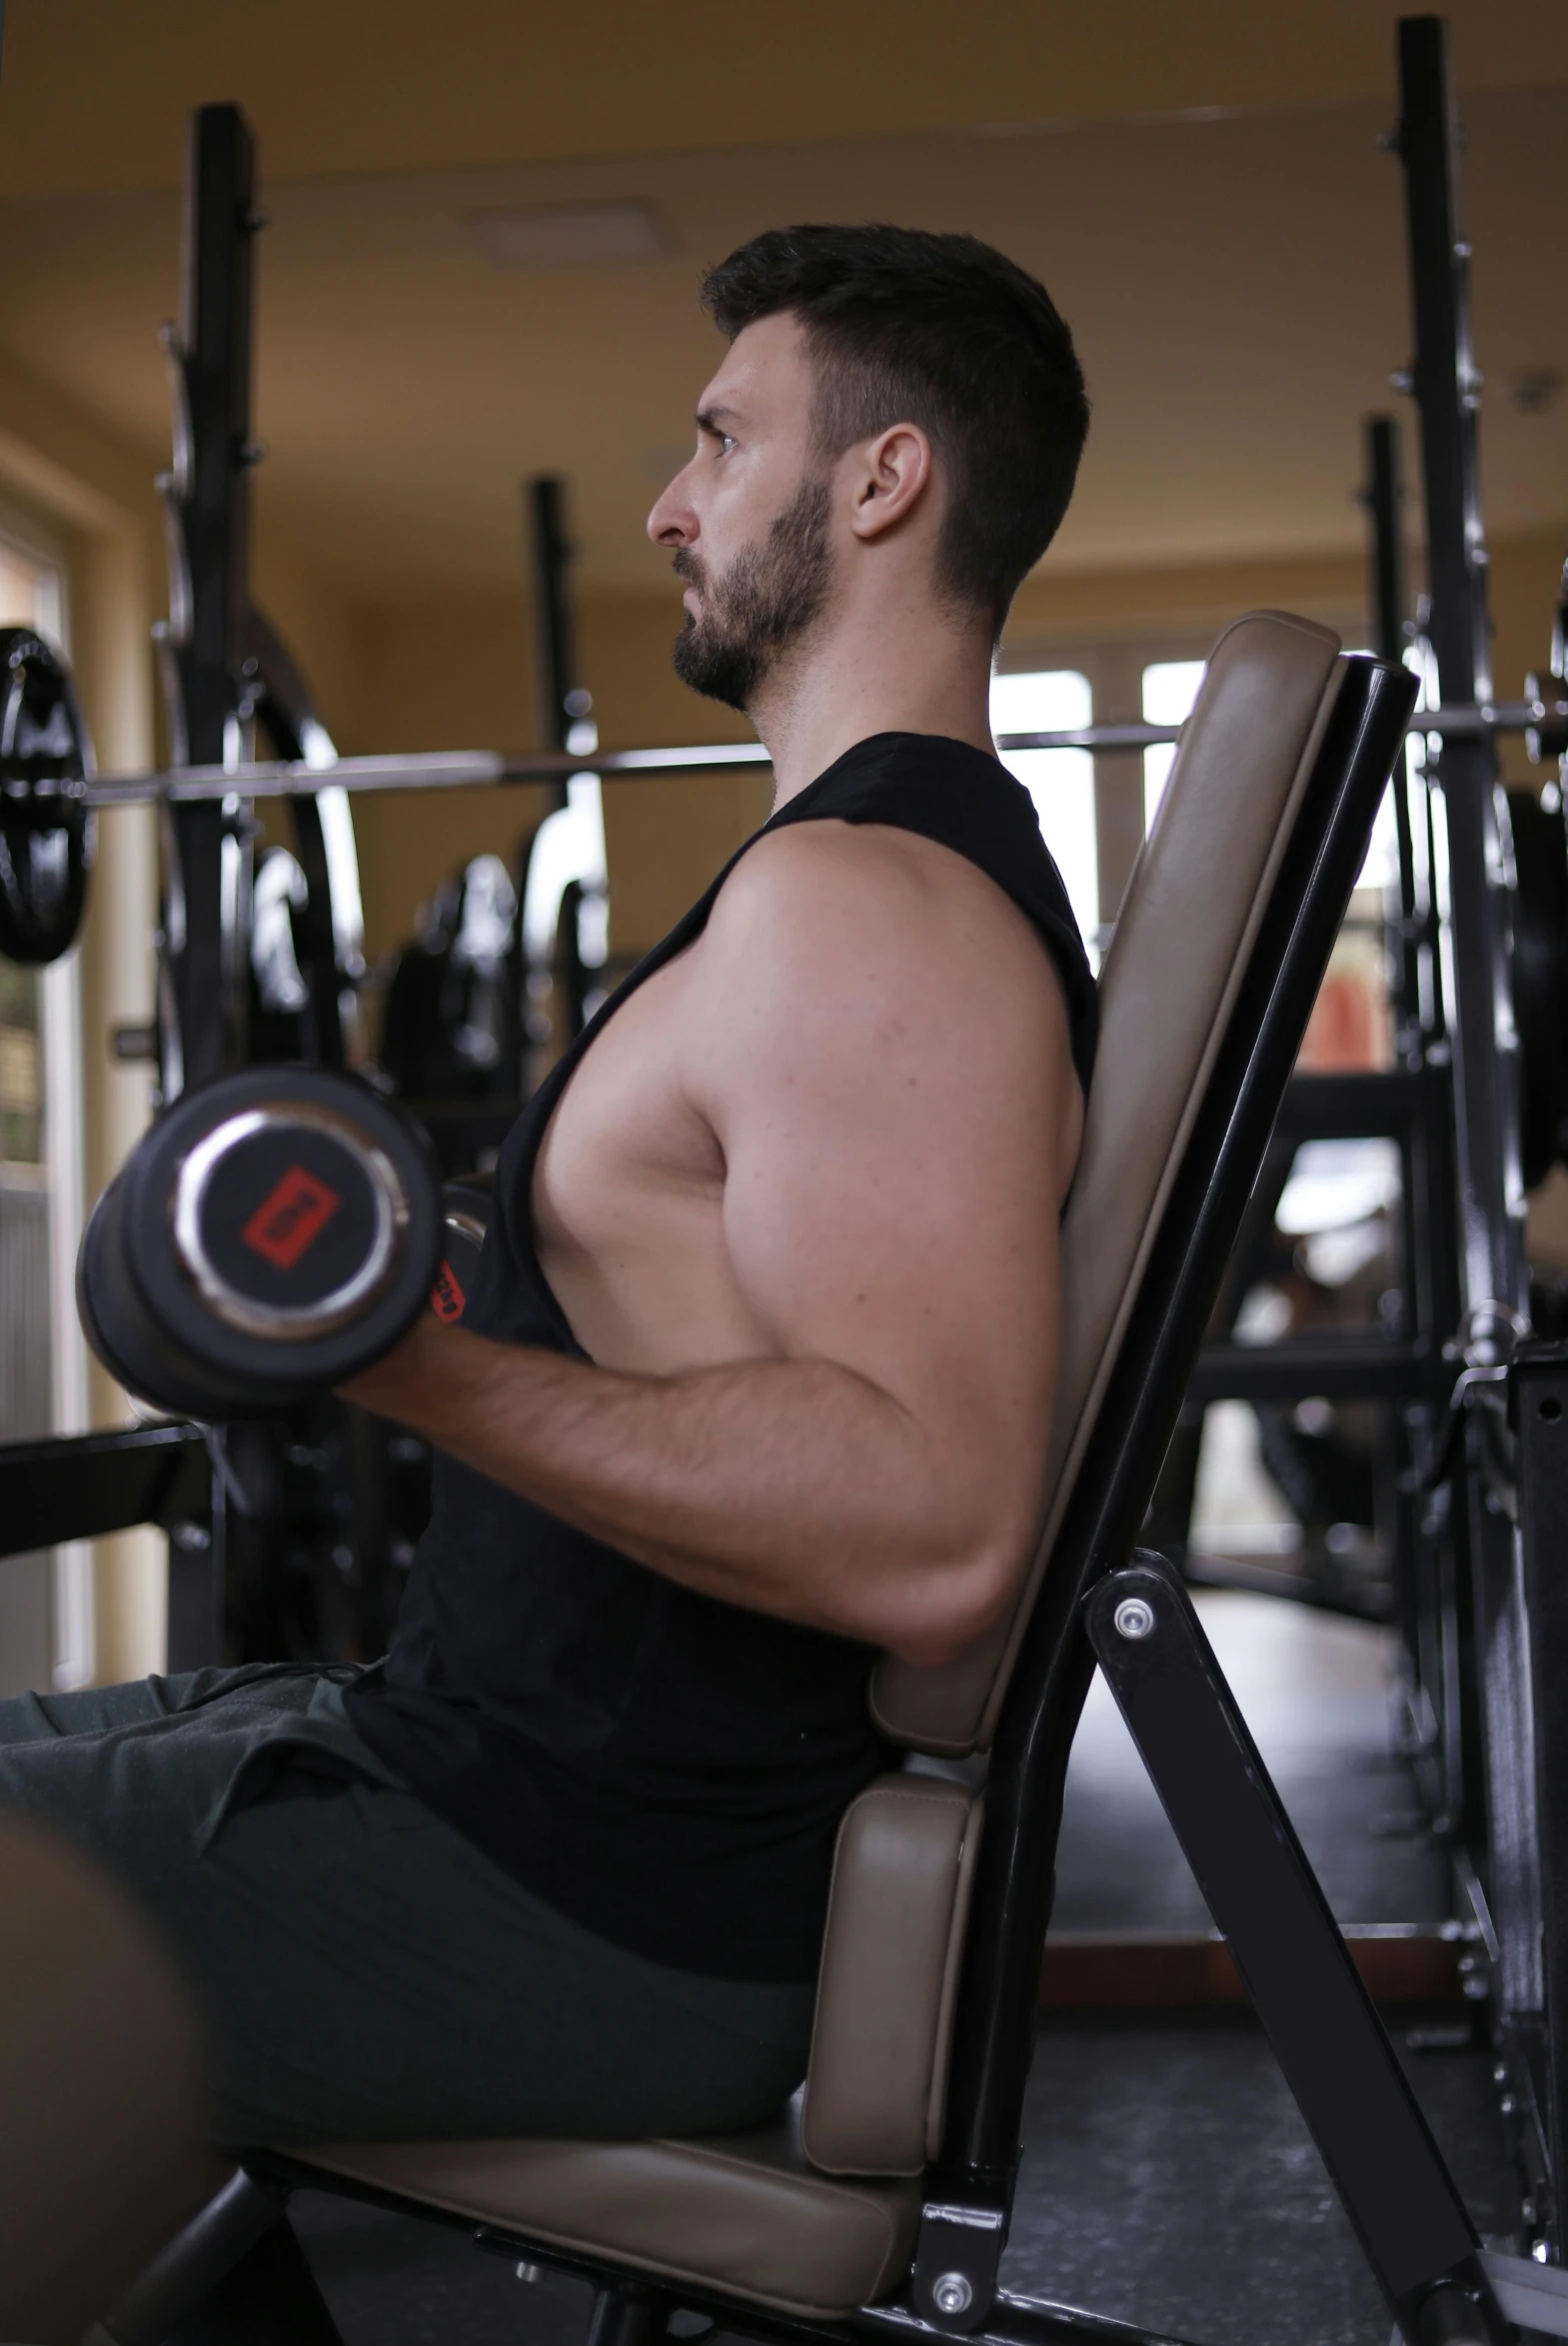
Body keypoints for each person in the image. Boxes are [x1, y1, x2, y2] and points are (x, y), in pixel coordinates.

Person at [0, 224, 1095, 2149]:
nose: (674, 506)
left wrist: (413, 1368)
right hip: (461, 1778)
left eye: (721, 442)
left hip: (569, 1902)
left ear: (883, 479)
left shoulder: (869, 909)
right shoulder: (842, 884)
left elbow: (936, 1528)